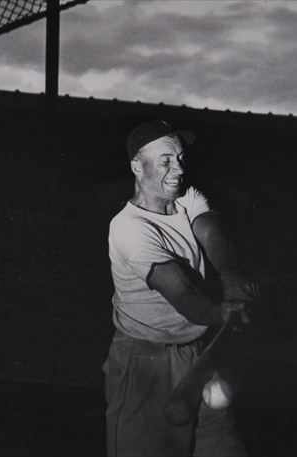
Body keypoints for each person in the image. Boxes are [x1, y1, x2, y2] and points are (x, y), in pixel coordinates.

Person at [103, 119, 255, 457]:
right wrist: (221, 311)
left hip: (200, 348)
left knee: (222, 448)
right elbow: (182, 294)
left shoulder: (185, 197)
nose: (178, 168)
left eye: (181, 158)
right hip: (144, 360)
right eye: (165, 160)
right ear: (136, 167)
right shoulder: (128, 228)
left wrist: (229, 274)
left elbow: (210, 230)